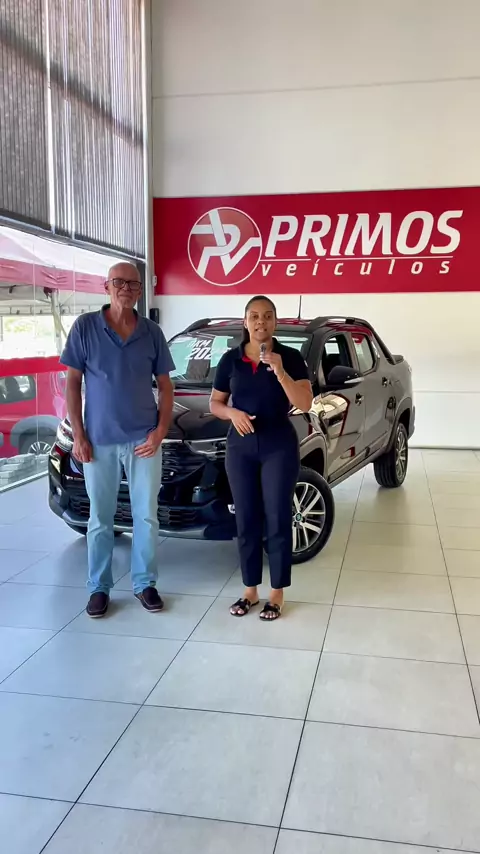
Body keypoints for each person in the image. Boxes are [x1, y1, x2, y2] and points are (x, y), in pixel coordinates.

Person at [61, 262, 175, 618]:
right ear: (106, 287)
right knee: (100, 518)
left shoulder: (152, 332)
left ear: (140, 290)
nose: (126, 288)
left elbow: (166, 386)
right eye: (119, 282)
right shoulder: (85, 328)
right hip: (99, 442)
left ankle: (145, 583)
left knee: (146, 517)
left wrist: (160, 431)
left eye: (133, 284)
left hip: (144, 441)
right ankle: (99, 588)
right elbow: (72, 384)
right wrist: (79, 435)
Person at [210, 295, 313, 620]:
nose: (260, 322)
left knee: (278, 517)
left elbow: (305, 403)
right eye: (254, 316)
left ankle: (277, 593)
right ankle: (250, 590)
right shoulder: (230, 360)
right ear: (245, 322)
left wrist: (280, 371)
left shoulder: (290, 358)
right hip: (240, 448)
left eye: (267, 316)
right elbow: (215, 403)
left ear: (275, 322)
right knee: (246, 518)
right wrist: (232, 413)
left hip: (278, 445)